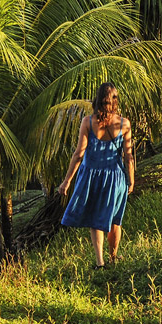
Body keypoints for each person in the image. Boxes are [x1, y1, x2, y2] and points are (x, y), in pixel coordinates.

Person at [57, 82, 135, 268]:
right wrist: (131, 180)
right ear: (115, 100)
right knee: (115, 218)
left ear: (97, 99)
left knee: (96, 219)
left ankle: (100, 262)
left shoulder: (87, 122)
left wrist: (66, 181)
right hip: (116, 177)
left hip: (92, 176)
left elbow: (79, 153)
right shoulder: (124, 123)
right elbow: (129, 156)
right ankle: (113, 256)